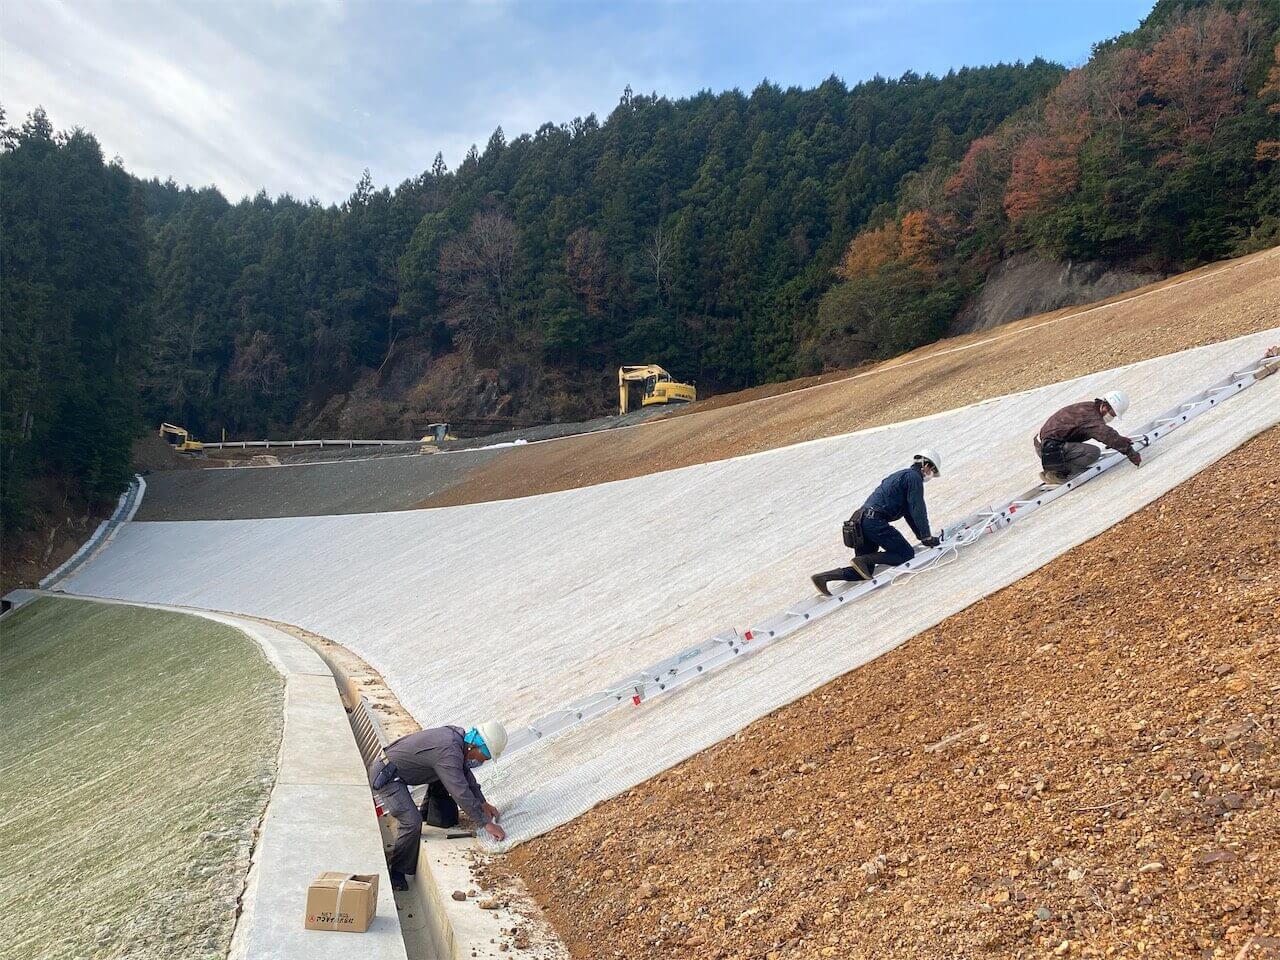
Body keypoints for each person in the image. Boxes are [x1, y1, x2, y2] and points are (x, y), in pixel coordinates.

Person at [369, 721, 508, 890]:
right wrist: (485, 823)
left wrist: (483, 803)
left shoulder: (456, 741)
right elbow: (460, 791)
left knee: (446, 777)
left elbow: (465, 775)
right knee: (411, 822)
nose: (482, 762)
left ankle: (426, 812)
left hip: (396, 771)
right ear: (476, 746)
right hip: (388, 777)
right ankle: (397, 873)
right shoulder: (449, 751)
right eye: (484, 757)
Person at [811, 449, 943, 597]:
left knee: (864, 570)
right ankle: (863, 559)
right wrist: (927, 537)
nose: (931, 474)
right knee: (905, 554)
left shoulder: (902, 476)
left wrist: (923, 537)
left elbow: (910, 514)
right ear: (926, 465)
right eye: (932, 470)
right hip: (874, 521)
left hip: (860, 522)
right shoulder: (914, 478)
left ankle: (823, 578)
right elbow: (918, 508)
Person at [1035, 390, 1140, 484]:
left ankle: (1053, 470)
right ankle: (1057, 473)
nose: (1113, 417)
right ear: (1104, 407)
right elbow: (1107, 435)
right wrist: (1131, 453)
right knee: (1092, 452)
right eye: (1113, 414)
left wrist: (1119, 439)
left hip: (1047, 445)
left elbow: (1105, 434)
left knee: (1086, 449)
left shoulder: (1089, 408)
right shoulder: (1092, 417)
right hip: (1050, 448)